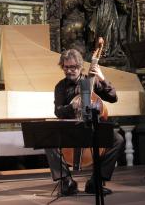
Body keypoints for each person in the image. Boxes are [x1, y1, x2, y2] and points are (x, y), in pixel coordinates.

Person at [44, 49, 124, 195]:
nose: (69, 70)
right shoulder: (60, 86)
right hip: (71, 129)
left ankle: (96, 181)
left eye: (73, 67)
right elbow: (58, 111)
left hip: (92, 129)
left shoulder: (90, 81)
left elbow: (113, 97)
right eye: (66, 67)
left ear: (80, 66)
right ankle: (66, 181)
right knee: (48, 140)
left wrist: (102, 77)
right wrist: (71, 106)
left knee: (117, 139)